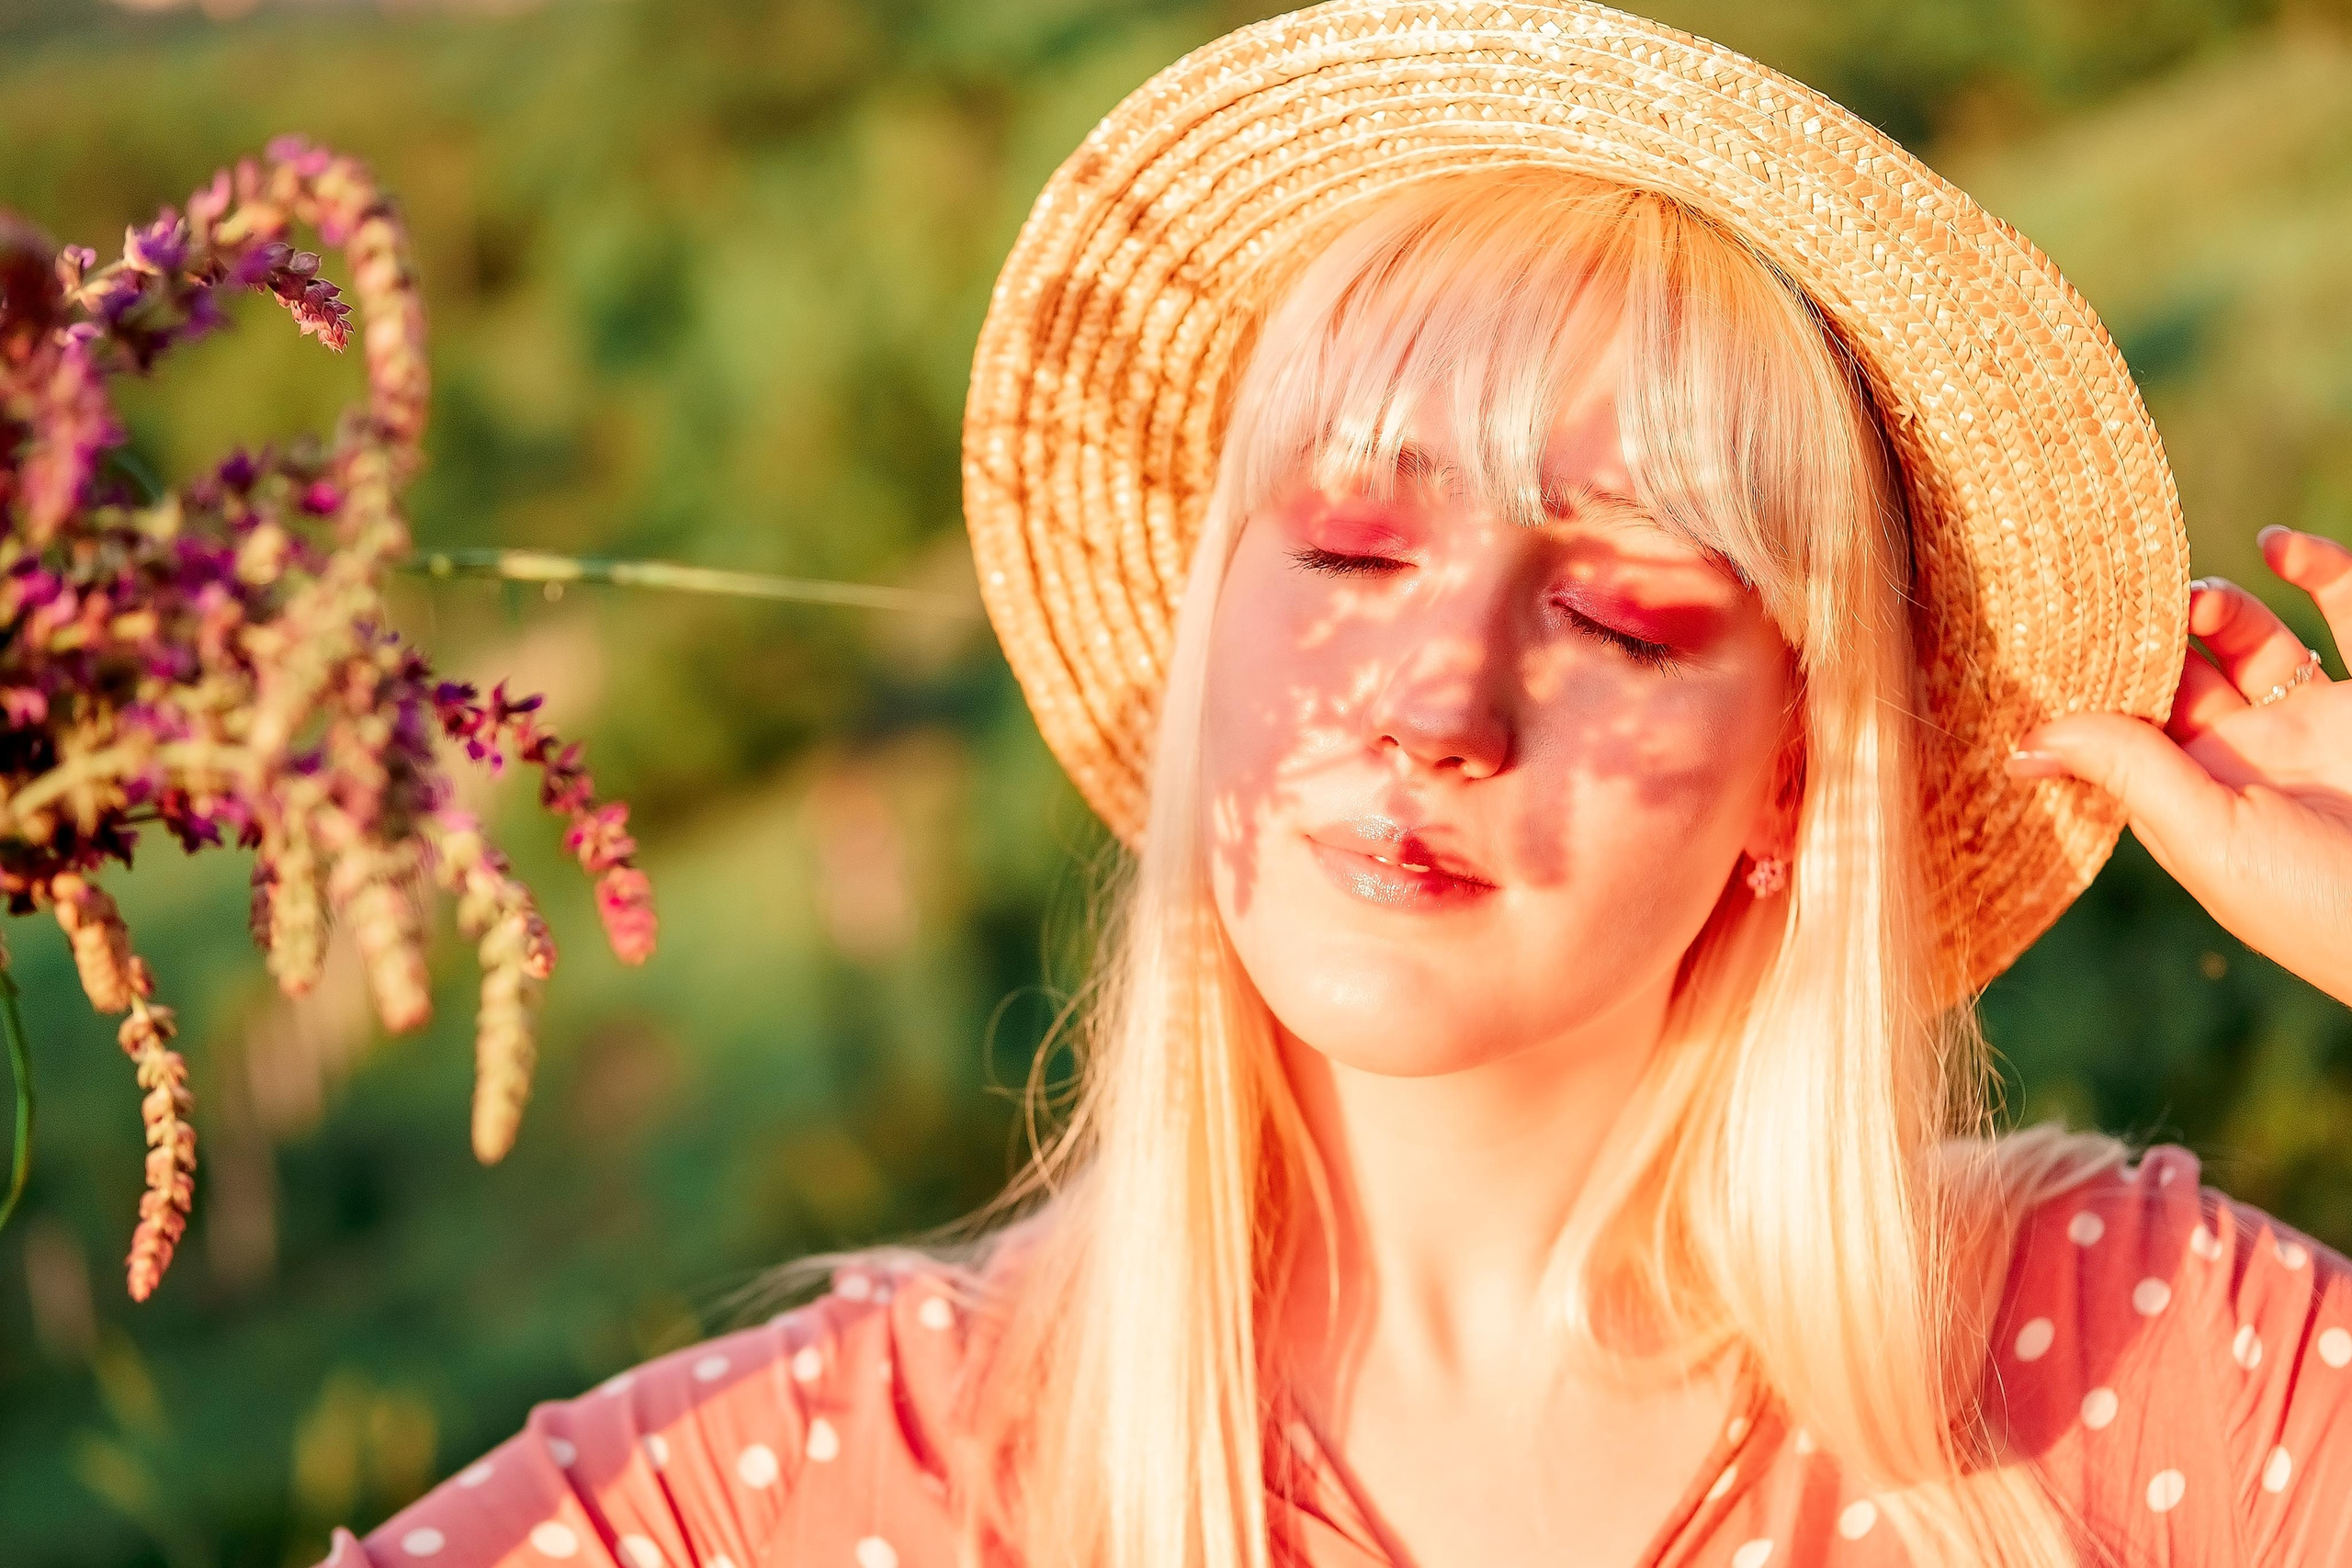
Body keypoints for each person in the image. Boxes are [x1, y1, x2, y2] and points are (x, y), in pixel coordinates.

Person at [314, 4, 2352, 1565]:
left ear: (1789, 780)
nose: (1436, 696)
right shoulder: (827, 1482)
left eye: (1630, 616)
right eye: (1355, 551)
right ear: (1214, 624)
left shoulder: (2123, 1367)